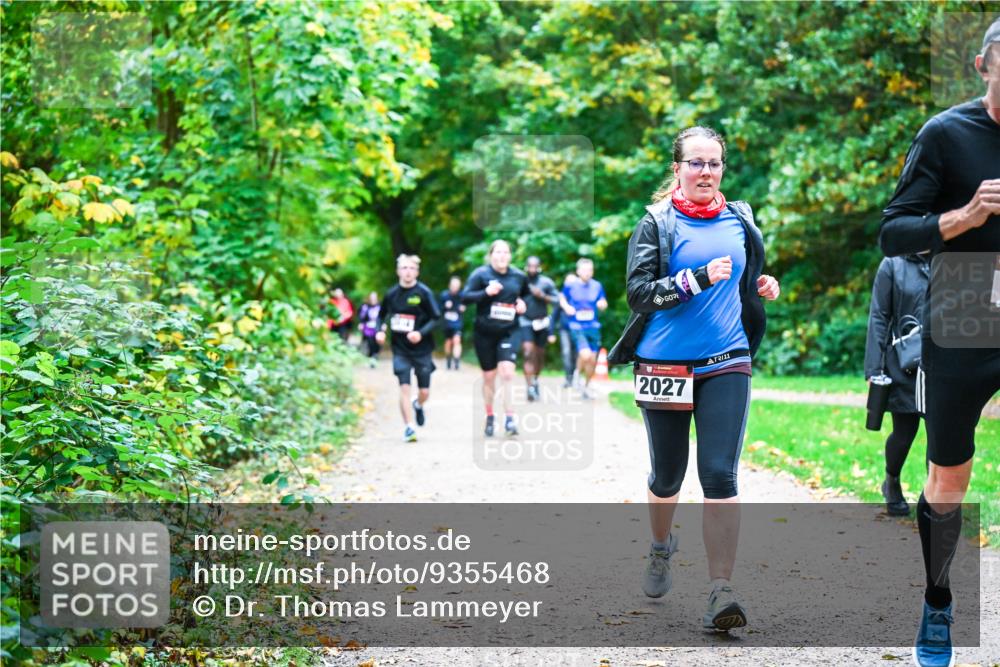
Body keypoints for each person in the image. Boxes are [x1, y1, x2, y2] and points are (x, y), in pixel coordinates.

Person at [608, 126, 780, 632]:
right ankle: (661, 548)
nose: (706, 172)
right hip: (665, 365)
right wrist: (695, 279)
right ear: (677, 168)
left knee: (720, 475)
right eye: (696, 163)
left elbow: (745, 278)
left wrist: (762, 285)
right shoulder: (656, 223)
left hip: (728, 359)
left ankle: (720, 590)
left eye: (715, 164)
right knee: (667, 477)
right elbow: (639, 295)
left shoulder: (740, 218)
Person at [879, 18, 999, 667]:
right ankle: (939, 596)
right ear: (984, 65)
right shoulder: (947, 134)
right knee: (949, 476)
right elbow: (894, 233)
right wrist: (966, 215)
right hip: (964, 308)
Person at [864, 253, 930, 516]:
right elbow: (879, 316)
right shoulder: (893, 264)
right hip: (904, 364)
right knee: (904, 434)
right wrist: (874, 368)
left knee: (940, 435)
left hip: (942, 364)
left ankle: (934, 500)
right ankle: (891, 481)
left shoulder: (948, 257)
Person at [462, 240, 530, 437]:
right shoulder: (480, 275)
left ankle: (510, 417)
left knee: (507, 373)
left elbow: (524, 296)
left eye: (505, 252)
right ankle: (490, 415)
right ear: (491, 255)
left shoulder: (518, 276)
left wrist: (521, 304)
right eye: (497, 252)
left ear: (510, 256)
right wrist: (485, 292)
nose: (501, 256)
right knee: (489, 377)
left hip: (509, 330)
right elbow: (465, 297)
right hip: (484, 333)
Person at [375, 255, 441, 443]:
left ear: (417, 271)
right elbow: (381, 316)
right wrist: (380, 331)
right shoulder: (391, 294)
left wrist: (420, 333)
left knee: (424, 392)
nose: (408, 271)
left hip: (422, 350)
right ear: (398, 271)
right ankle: (409, 427)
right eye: (404, 268)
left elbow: (436, 317)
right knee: (404, 387)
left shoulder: (423, 293)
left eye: (412, 268)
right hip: (400, 350)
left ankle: (418, 404)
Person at [560, 258, 608, 399]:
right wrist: (567, 307)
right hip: (577, 325)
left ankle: (586, 387)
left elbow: (603, 300)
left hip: (593, 327)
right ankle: (576, 373)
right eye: (585, 270)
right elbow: (562, 298)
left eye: (590, 270)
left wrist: (602, 304)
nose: (588, 273)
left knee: (592, 359)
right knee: (585, 354)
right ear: (578, 271)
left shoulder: (597, 285)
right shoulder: (570, 285)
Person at [519, 257, 560, 401]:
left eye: (535, 266)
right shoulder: (520, 281)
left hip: (542, 323)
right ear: (526, 267)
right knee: (528, 352)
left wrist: (542, 296)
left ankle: (535, 380)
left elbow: (557, 301)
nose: (532, 269)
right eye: (529, 266)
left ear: (539, 267)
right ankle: (529, 387)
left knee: (539, 355)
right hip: (525, 321)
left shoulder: (546, 282)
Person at [556, 273, 579, 388]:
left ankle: (575, 376)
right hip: (564, 329)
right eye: (568, 282)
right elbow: (554, 314)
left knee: (577, 354)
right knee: (566, 352)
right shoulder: (561, 298)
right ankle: (568, 378)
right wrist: (550, 332)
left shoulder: (581, 296)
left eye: (573, 282)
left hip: (579, 329)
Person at [439, 277, 466, 370]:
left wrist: (463, 308)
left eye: (457, 286)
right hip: (447, 323)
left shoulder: (462, 295)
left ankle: (457, 362)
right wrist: (445, 307)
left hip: (457, 322)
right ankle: (448, 360)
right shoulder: (444, 295)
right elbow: (438, 309)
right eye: (453, 285)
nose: (455, 287)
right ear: (450, 285)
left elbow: (465, 305)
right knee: (448, 342)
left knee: (457, 340)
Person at [358, 291, 382, 368]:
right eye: (372, 297)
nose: (373, 299)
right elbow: (362, 317)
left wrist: (384, 324)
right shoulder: (365, 307)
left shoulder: (380, 306)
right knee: (370, 343)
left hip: (378, 327)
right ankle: (371, 358)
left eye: (374, 297)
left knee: (377, 344)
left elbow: (383, 316)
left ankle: (375, 355)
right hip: (368, 328)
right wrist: (361, 324)